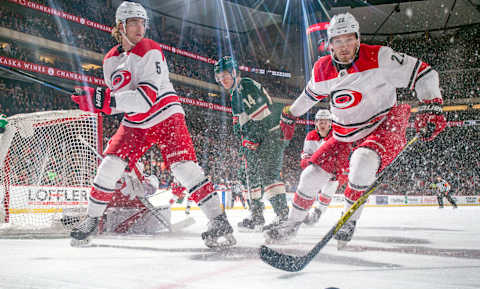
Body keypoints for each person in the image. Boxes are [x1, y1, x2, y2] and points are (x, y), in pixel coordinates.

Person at [265, 12, 446, 247]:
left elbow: (424, 73)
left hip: (380, 127)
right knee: (309, 177)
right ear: (329, 44)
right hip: (343, 134)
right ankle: (291, 225)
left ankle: (349, 219)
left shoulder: (380, 57)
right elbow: (308, 96)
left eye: (349, 39)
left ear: (358, 39)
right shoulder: (322, 69)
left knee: (363, 162)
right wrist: (290, 114)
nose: (344, 46)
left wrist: (432, 105)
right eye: (337, 41)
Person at [69, 1, 236, 248]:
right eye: (133, 22)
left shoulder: (150, 49)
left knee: (183, 168)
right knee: (109, 166)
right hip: (135, 122)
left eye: (142, 22)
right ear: (120, 26)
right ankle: (91, 219)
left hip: (165, 114)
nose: (140, 27)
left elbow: (145, 99)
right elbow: (124, 102)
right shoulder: (110, 61)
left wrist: (105, 101)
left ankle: (218, 220)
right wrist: (98, 102)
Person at [214, 56, 290, 232]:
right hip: (255, 142)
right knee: (246, 175)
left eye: (224, 75)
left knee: (268, 175)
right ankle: (256, 215)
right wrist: (245, 142)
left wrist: (252, 139)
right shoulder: (235, 93)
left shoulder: (245, 86)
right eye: (218, 78)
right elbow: (242, 124)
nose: (221, 80)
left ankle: (283, 215)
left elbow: (261, 118)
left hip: (269, 137)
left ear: (234, 72)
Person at [301, 109, 346, 226]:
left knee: (328, 190)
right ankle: (302, 211)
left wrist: (337, 171)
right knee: (308, 186)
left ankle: (318, 212)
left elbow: (341, 156)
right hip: (318, 169)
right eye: (320, 121)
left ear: (330, 123)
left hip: (333, 171)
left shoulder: (336, 136)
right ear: (315, 123)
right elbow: (305, 157)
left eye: (325, 122)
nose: (322, 124)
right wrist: (308, 165)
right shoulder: (310, 136)